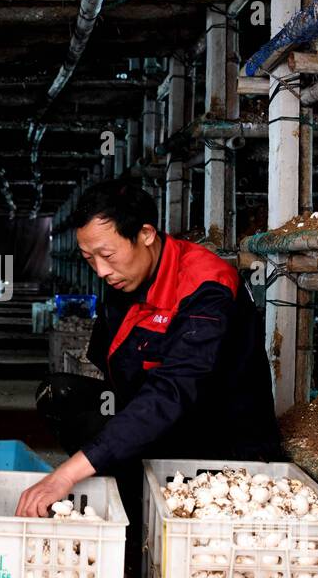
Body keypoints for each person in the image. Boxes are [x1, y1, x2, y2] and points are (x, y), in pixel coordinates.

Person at [17, 178, 282, 528]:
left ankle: (142, 516)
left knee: (114, 438)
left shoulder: (206, 286)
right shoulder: (124, 277)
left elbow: (173, 391)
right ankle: (128, 498)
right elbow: (109, 362)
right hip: (153, 418)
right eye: (88, 258)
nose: (101, 270)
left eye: (107, 255)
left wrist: (68, 473)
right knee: (61, 396)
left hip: (216, 437)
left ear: (145, 234)